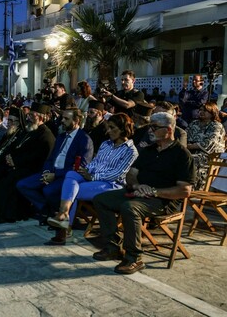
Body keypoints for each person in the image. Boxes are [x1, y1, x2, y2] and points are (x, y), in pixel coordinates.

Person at [92, 112, 195, 274]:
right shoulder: (148, 150)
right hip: (138, 192)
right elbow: (131, 174)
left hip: (162, 200)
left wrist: (154, 191)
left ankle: (134, 258)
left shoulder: (182, 155)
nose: (149, 131)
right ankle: (113, 246)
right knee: (100, 199)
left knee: (129, 207)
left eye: (154, 127)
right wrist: (138, 186)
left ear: (168, 130)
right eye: (149, 126)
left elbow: (184, 190)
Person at [46, 113, 138, 245]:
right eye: (108, 127)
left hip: (111, 185)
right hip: (93, 179)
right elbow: (95, 162)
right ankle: (64, 214)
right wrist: (86, 170)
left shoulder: (131, 151)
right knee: (71, 175)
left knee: (73, 191)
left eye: (112, 128)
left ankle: (64, 228)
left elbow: (117, 174)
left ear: (123, 128)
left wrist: (93, 176)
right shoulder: (106, 144)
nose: (108, 131)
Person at [16, 108, 94, 227]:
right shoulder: (61, 137)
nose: (62, 121)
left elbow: (81, 167)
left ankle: (55, 213)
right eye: (62, 118)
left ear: (77, 120)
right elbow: (50, 158)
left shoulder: (84, 139)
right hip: (50, 172)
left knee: (49, 191)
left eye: (66, 119)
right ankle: (46, 209)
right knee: (22, 185)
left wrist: (56, 175)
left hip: (66, 176)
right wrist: (47, 172)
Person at [186, 102, 225, 189]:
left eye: (205, 110)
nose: (201, 112)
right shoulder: (194, 123)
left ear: (212, 112)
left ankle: (192, 188)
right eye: (200, 110)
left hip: (209, 155)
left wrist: (189, 146)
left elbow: (209, 143)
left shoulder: (216, 125)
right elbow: (184, 136)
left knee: (192, 159)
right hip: (190, 150)